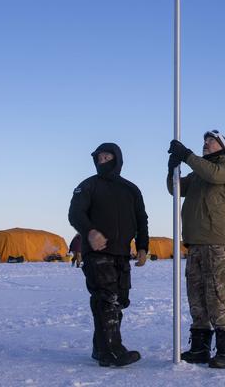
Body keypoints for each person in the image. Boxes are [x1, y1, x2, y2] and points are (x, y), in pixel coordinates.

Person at [68, 143, 149, 367]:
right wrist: (90, 231)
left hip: (122, 253)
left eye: (107, 157)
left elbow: (141, 219)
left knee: (119, 300)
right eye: (99, 158)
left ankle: (100, 348)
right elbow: (75, 214)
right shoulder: (88, 185)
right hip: (97, 253)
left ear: (117, 159)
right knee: (107, 299)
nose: (103, 161)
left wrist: (143, 246)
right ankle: (112, 350)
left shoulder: (131, 189)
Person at [167, 130, 225, 368]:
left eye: (211, 141)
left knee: (217, 294)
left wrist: (186, 154)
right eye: (205, 141)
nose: (206, 144)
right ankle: (199, 348)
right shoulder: (197, 173)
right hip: (195, 243)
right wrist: (172, 167)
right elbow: (175, 189)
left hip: (217, 242)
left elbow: (213, 175)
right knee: (196, 296)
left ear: (223, 146)